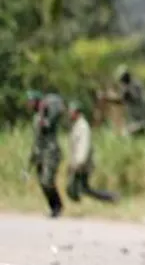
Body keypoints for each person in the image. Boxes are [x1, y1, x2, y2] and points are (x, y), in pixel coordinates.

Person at [65, 101, 118, 203]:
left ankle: (111, 197)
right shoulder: (77, 125)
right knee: (81, 188)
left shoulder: (83, 126)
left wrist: (78, 163)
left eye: (71, 112)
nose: (69, 114)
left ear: (77, 112)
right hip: (78, 163)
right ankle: (111, 198)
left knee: (78, 188)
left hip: (82, 164)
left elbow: (84, 146)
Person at [26, 90, 65, 218]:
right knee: (42, 182)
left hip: (50, 152)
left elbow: (47, 124)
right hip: (40, 152)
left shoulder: (48, 114)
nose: (30, 103)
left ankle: (58, 206)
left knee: (47, 180)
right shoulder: (36, 117)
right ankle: (53, 207)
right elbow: (36, 138)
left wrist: (44, 109)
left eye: (32, 101)